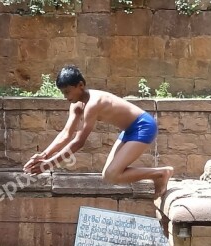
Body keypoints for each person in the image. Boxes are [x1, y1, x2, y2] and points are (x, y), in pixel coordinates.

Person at [22, 66, 174, 198]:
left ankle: (160, 173)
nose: (66, 97)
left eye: (68, 92)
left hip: (143, 125)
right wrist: (44, 156)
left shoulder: (93, 103)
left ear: (80, 85)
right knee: (109, 176)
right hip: (129, 130)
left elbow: (78, 142)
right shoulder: (76, 105)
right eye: (63, 93)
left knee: (113, 174)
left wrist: (50, 164)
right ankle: (159, 174)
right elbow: (66, 133)